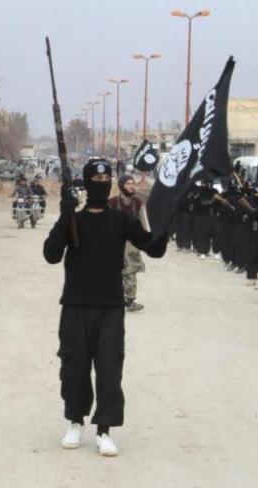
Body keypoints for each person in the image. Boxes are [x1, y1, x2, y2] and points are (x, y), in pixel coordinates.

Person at [43, 159, 167, 457]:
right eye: (95, 177)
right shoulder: (74, 219)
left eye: (105, 177)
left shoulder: (121, 219)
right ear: (86, 182)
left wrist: (168, 217)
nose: (100, 181)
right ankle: (75, 420)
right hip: (75, 306)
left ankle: (104, 430)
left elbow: (155, 248)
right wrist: (64, 215)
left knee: (110, 370)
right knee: (74, 368)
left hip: (110, 307)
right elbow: (50, 255)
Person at [108, 175, 148, 312]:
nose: (132, 186)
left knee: (130, 273)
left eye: (133, 183)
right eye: (128, 184)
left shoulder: (138, 203)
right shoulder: (111, 203)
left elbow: (145, 223)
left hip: (131, 245)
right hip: (113, 243)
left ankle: (130, 301)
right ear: (121, 186)